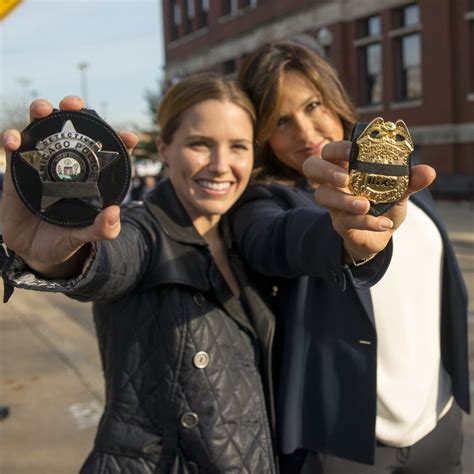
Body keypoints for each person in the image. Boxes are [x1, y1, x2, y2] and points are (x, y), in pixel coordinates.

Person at [0, 75, 279, 473]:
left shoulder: (251, 236)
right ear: (164, 148)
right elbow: (110, 260)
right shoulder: (140, 227)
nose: (221, 165)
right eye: (200, 144)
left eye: (237, 147)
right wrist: (56, 257)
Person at [232, 41, 469, 474]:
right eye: (281, 120)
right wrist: (343, 238)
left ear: (335, 96)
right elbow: (280, 242)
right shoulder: (264, 202)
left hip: (439, 423)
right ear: (261, 134)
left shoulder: (398, 169)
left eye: (313, 105)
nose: (304, 132)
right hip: (345, 447)